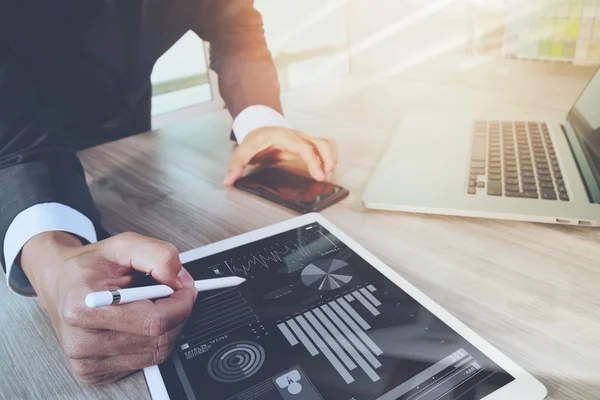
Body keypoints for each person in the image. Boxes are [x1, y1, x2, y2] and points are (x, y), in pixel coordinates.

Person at [0, 0, 337, 385]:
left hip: (137, 141)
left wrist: (258, 119)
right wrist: (48, 258)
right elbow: (12, 146)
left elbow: (234, 23)